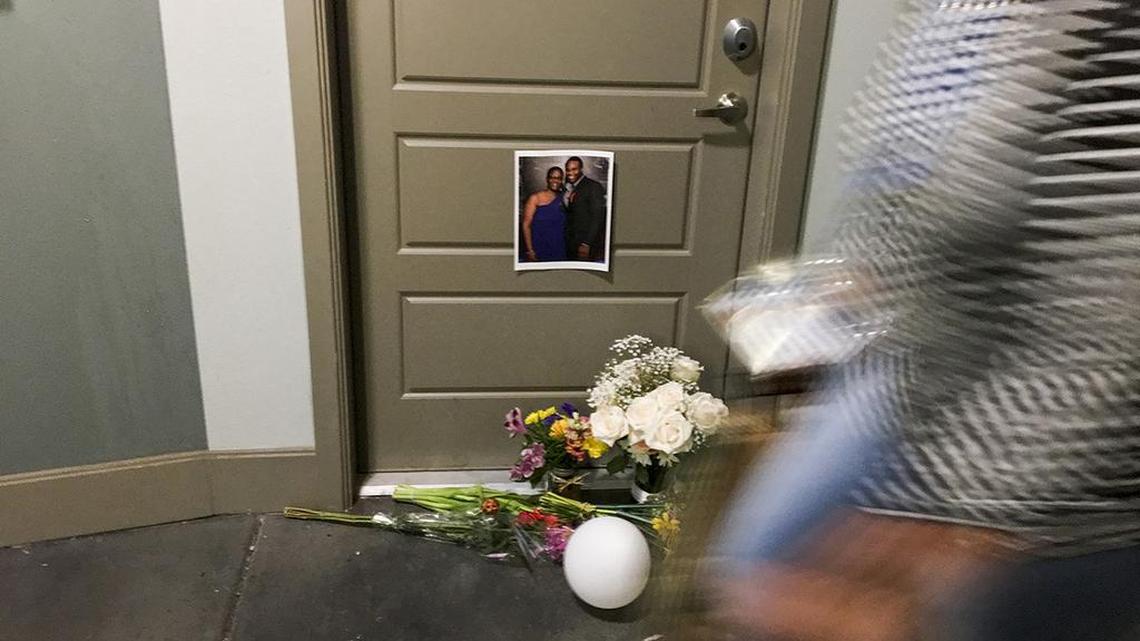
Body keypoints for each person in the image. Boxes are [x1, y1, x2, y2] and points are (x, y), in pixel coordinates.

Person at [562, 156, 606, 261]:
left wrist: (587, 243)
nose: (570, 173)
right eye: (568, 170)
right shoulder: (567, 187)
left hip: (585, 244)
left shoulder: (593, 186)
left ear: (581, 169)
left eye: (574, 169)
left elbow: (598, 217)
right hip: (569, 243)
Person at [521, 166, 567, 262]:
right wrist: (530, 250)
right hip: (539, 246)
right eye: (552, 177)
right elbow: (526, 225)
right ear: (547, 179)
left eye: (559, 178)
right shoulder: (535, 198)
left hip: (559, 247)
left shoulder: (564, 199)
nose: (555, 181)